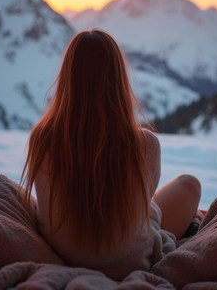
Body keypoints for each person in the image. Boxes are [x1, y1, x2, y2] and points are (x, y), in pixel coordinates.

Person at [21, 29, 201, 280]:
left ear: (67, 76)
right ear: (118, 79)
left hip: (63, 255)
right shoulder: (144, 143)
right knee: (189, 185)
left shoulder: (41, 138)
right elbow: (143, 204)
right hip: (129, 262)